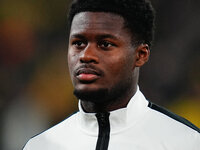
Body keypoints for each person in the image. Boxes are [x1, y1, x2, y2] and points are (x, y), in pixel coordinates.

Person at [23, 0, 200, 149]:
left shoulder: (185, 142)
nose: (86, 56)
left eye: (105, 44)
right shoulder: (39, 146)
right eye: (78, 43)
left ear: (141, 55)